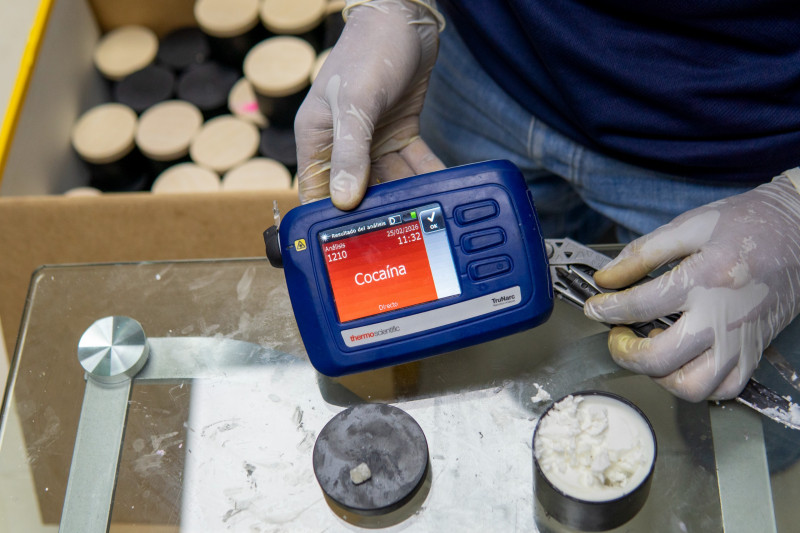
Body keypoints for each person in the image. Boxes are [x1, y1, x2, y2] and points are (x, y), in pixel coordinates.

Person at [293, 0, 800, 402]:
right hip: (478, 65)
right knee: (469, 342)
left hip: (731, 156)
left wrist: (793, 206)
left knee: (697, 370)